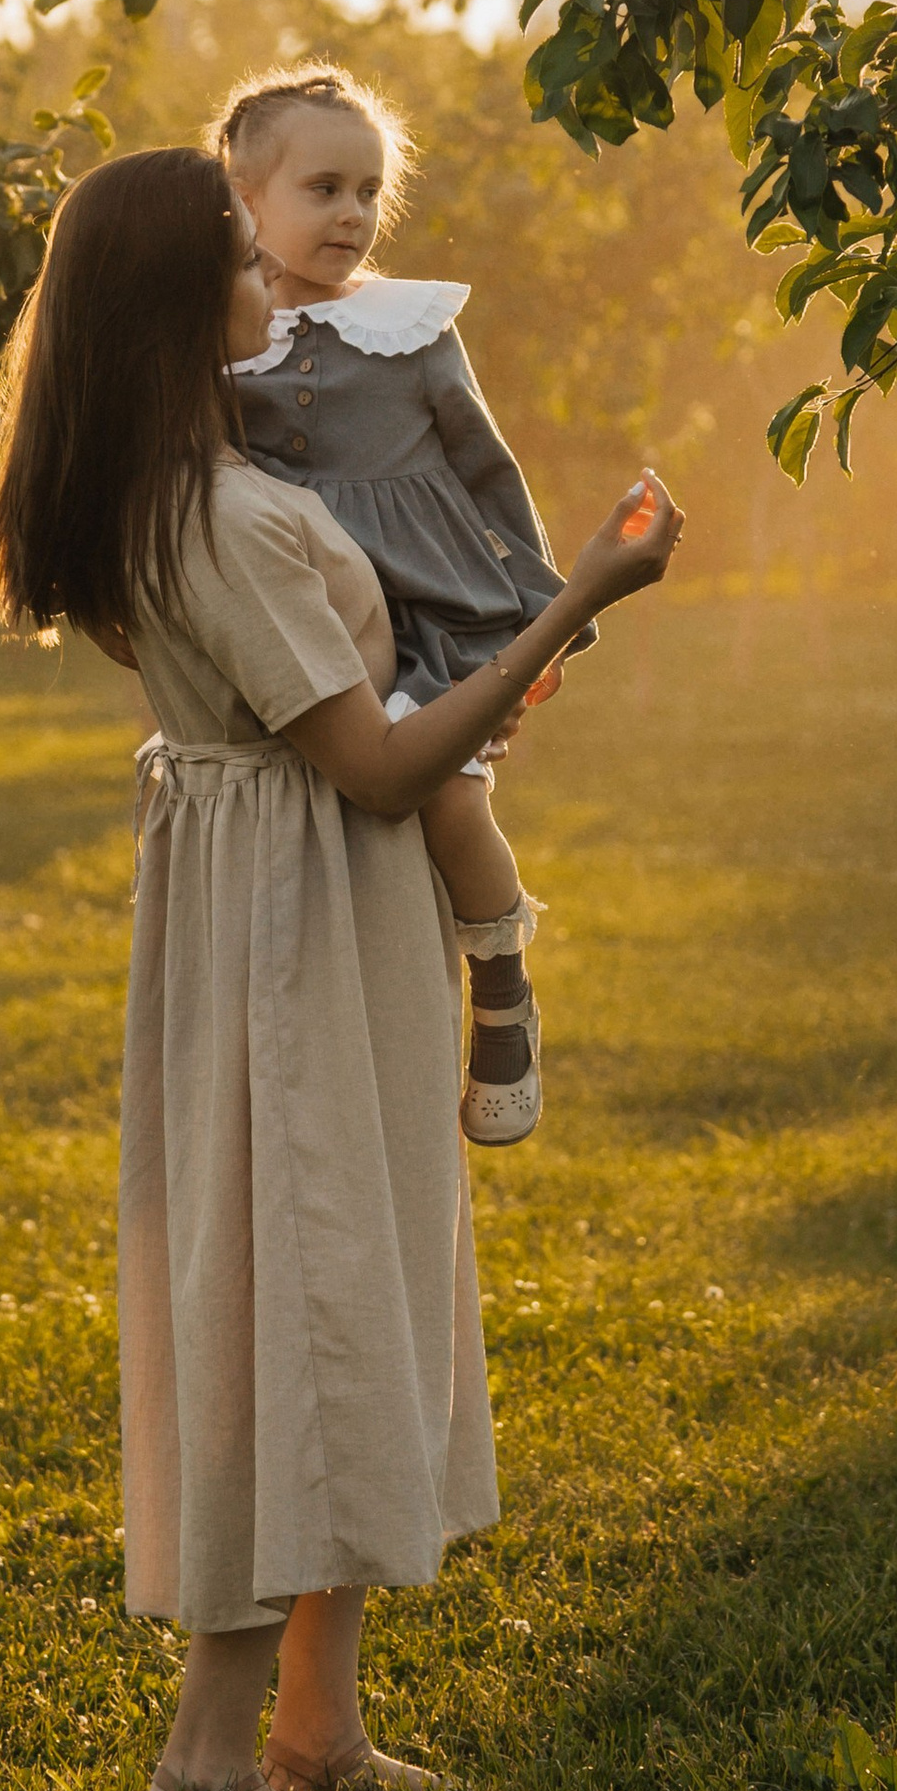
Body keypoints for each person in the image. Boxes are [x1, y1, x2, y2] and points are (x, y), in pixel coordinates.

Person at [0, 145, 681, 1791]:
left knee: (345, 1293)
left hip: (311, 906)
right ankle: (206, 1770)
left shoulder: (200, 478)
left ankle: (318, 1736)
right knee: (294, 1310)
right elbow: (368, 765)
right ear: (170, 302)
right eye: (235, 251)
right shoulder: (210, 518)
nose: (266, 275)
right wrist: (580, 596)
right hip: (297, 909)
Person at [215, 62, 573, 1147]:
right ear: (243, 200)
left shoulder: (410, 324)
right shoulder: (217, 341)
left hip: (433, 610)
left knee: (450, 804)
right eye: (323, 188)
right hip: (310, 617)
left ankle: (501, 981)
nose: (354, 214)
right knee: (325, 810)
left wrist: (543, 618)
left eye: (370, 191)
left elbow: (487, 468)